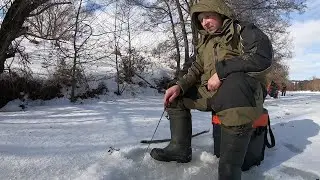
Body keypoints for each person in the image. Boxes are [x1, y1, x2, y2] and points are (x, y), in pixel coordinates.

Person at [149, 0, 273, 179]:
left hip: (245, 93)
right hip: (213, 93)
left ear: (220, 13)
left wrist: (222, 71)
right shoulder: (204, 43)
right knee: (175, 95)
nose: (204, 22)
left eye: (208, 16)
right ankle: (179, 149)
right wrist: (179, 85)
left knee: (235, 85)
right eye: (200, 20)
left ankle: (229, 172)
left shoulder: (244, 30)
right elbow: (195, 69)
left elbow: (260, 57)